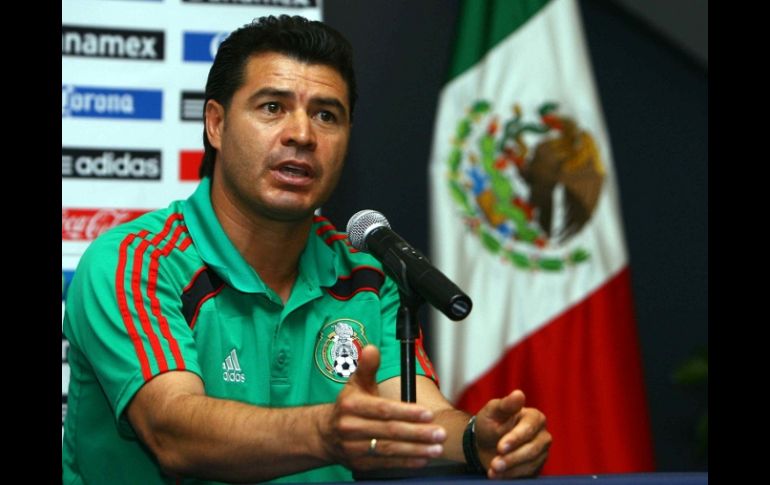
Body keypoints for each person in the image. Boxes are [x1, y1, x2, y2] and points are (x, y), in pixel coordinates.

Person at [62, 15, 551, 484]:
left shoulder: (367, 274)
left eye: (326, 115)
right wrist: (324, 432)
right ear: (216, 124)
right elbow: (172, 430)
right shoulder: (136, 261)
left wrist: (475, 440)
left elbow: (416, 418)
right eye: (272, 107)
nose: (302, 134)